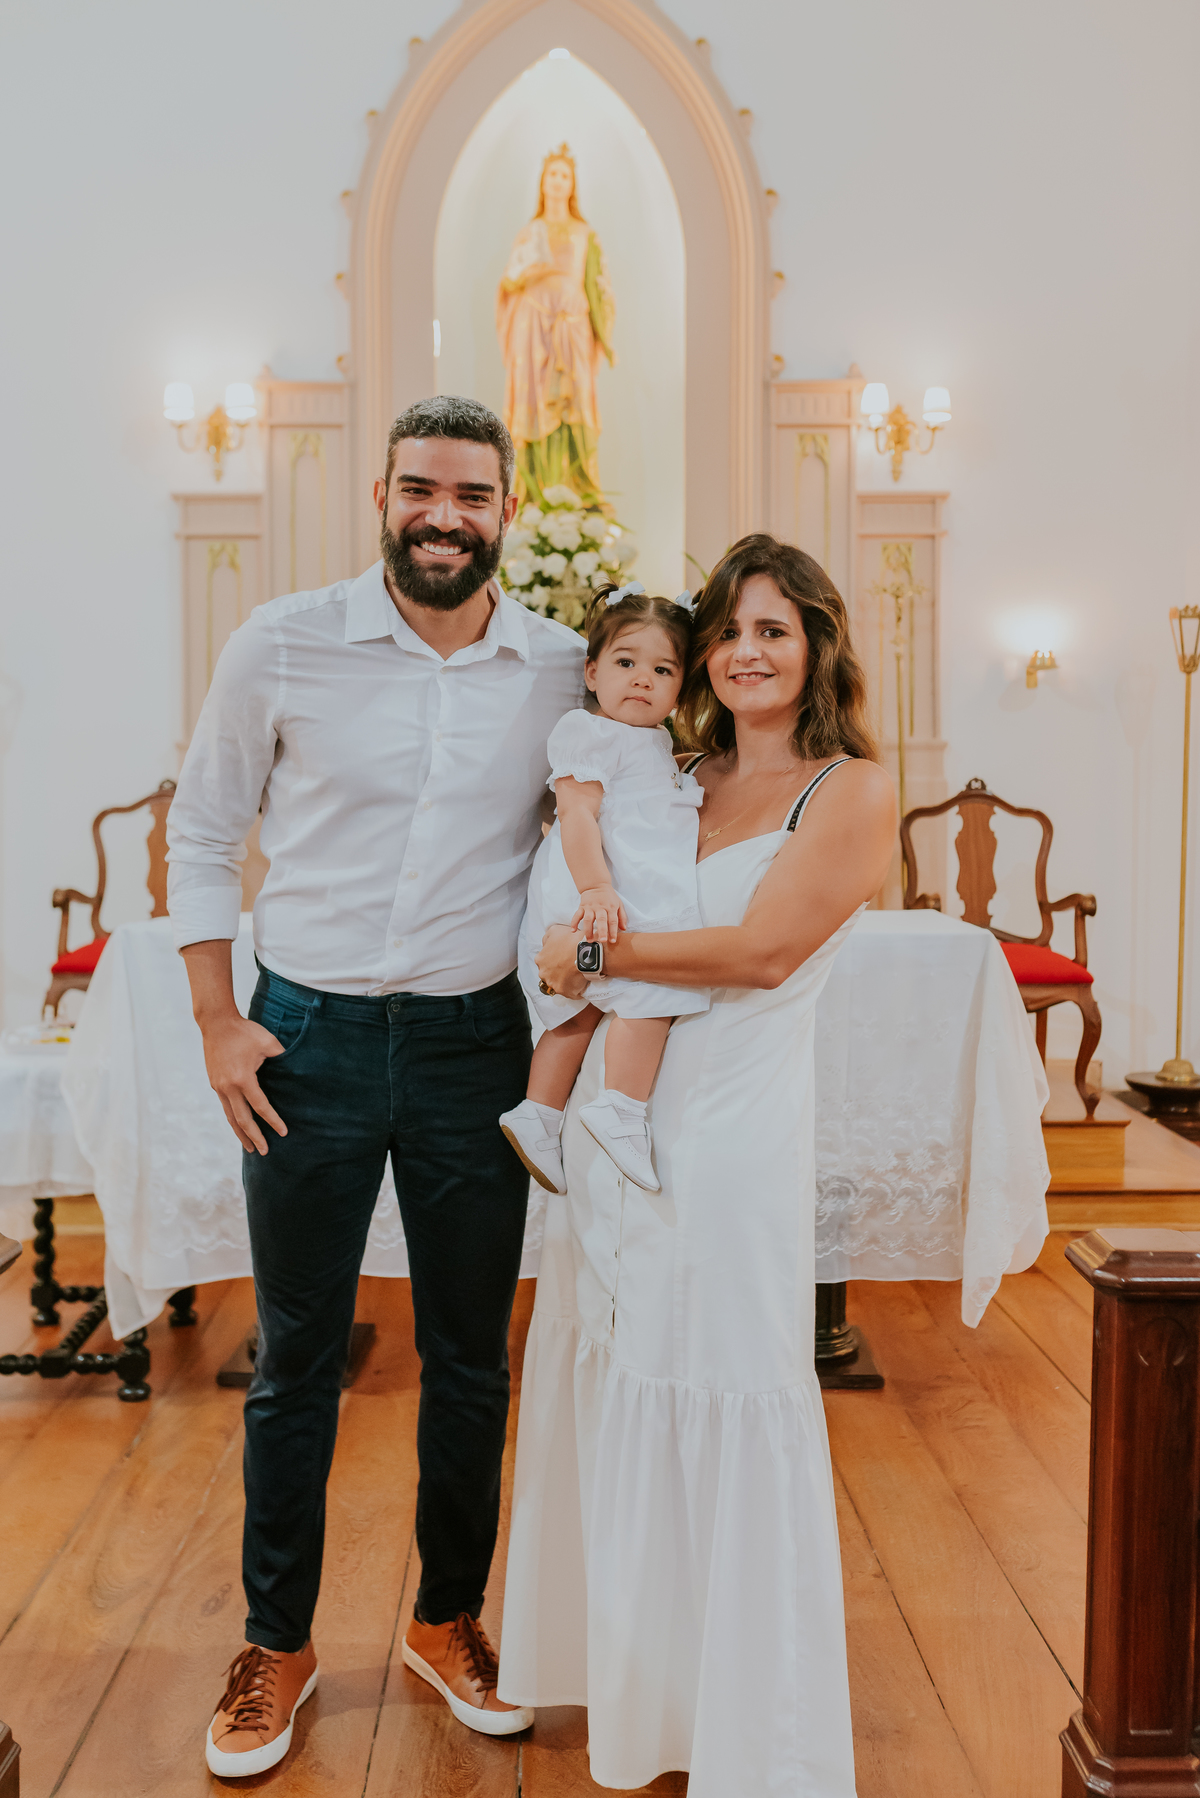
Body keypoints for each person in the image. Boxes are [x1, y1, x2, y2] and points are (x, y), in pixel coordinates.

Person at [166, 396, 584, 1776]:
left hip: (475, 1043)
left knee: (472, 1354)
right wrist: (222, 1018)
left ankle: (445, 1616)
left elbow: (612, 820)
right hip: (309, 1041)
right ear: (381, 494)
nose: (443, 516)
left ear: (508, 508)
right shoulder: (280, 640)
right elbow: (206, 826)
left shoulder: (561, 670)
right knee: (296, 1358)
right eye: (421, 489)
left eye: (471, 494)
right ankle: (277, 1642)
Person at [497, 534, 896, 1796]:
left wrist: (591, 963)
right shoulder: (677, 767)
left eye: (774, 628)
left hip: (731, 1131)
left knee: (721, 1371)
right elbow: (572, 877)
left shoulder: (849, 788)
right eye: (728, 629)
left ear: (817, 644)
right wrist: (561, 946)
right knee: (621, 1366)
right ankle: (639, 1691)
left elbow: (764, 951)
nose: (746, 650)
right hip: (627, 1114)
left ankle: (747, 1723)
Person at [500, 581, 708, 1197]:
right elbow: (578, 815)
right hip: (591, 891)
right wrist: (594, 889)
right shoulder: (588, 732)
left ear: (680, 689)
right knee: (653, 992)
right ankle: (621, 1106)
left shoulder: (659, 742)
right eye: (625, 663)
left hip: (615, 890)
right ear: (592, 672)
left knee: (580, 1011)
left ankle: (538, 1113)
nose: (642, 679)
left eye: (662, 669)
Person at [496, 142, 615, 509]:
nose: (559, 181)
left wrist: (605, 334)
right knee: (535, 403)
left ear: (573, 184)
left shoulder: (585, 233)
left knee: (577, 407)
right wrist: (528, 275)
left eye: (565, 175)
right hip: (534, 329)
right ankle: (534, 496)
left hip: (573, 327)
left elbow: (598, 285)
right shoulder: (530, 232)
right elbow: (509, 282)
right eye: (553, 174)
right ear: (543, 182)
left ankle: (582, 490)